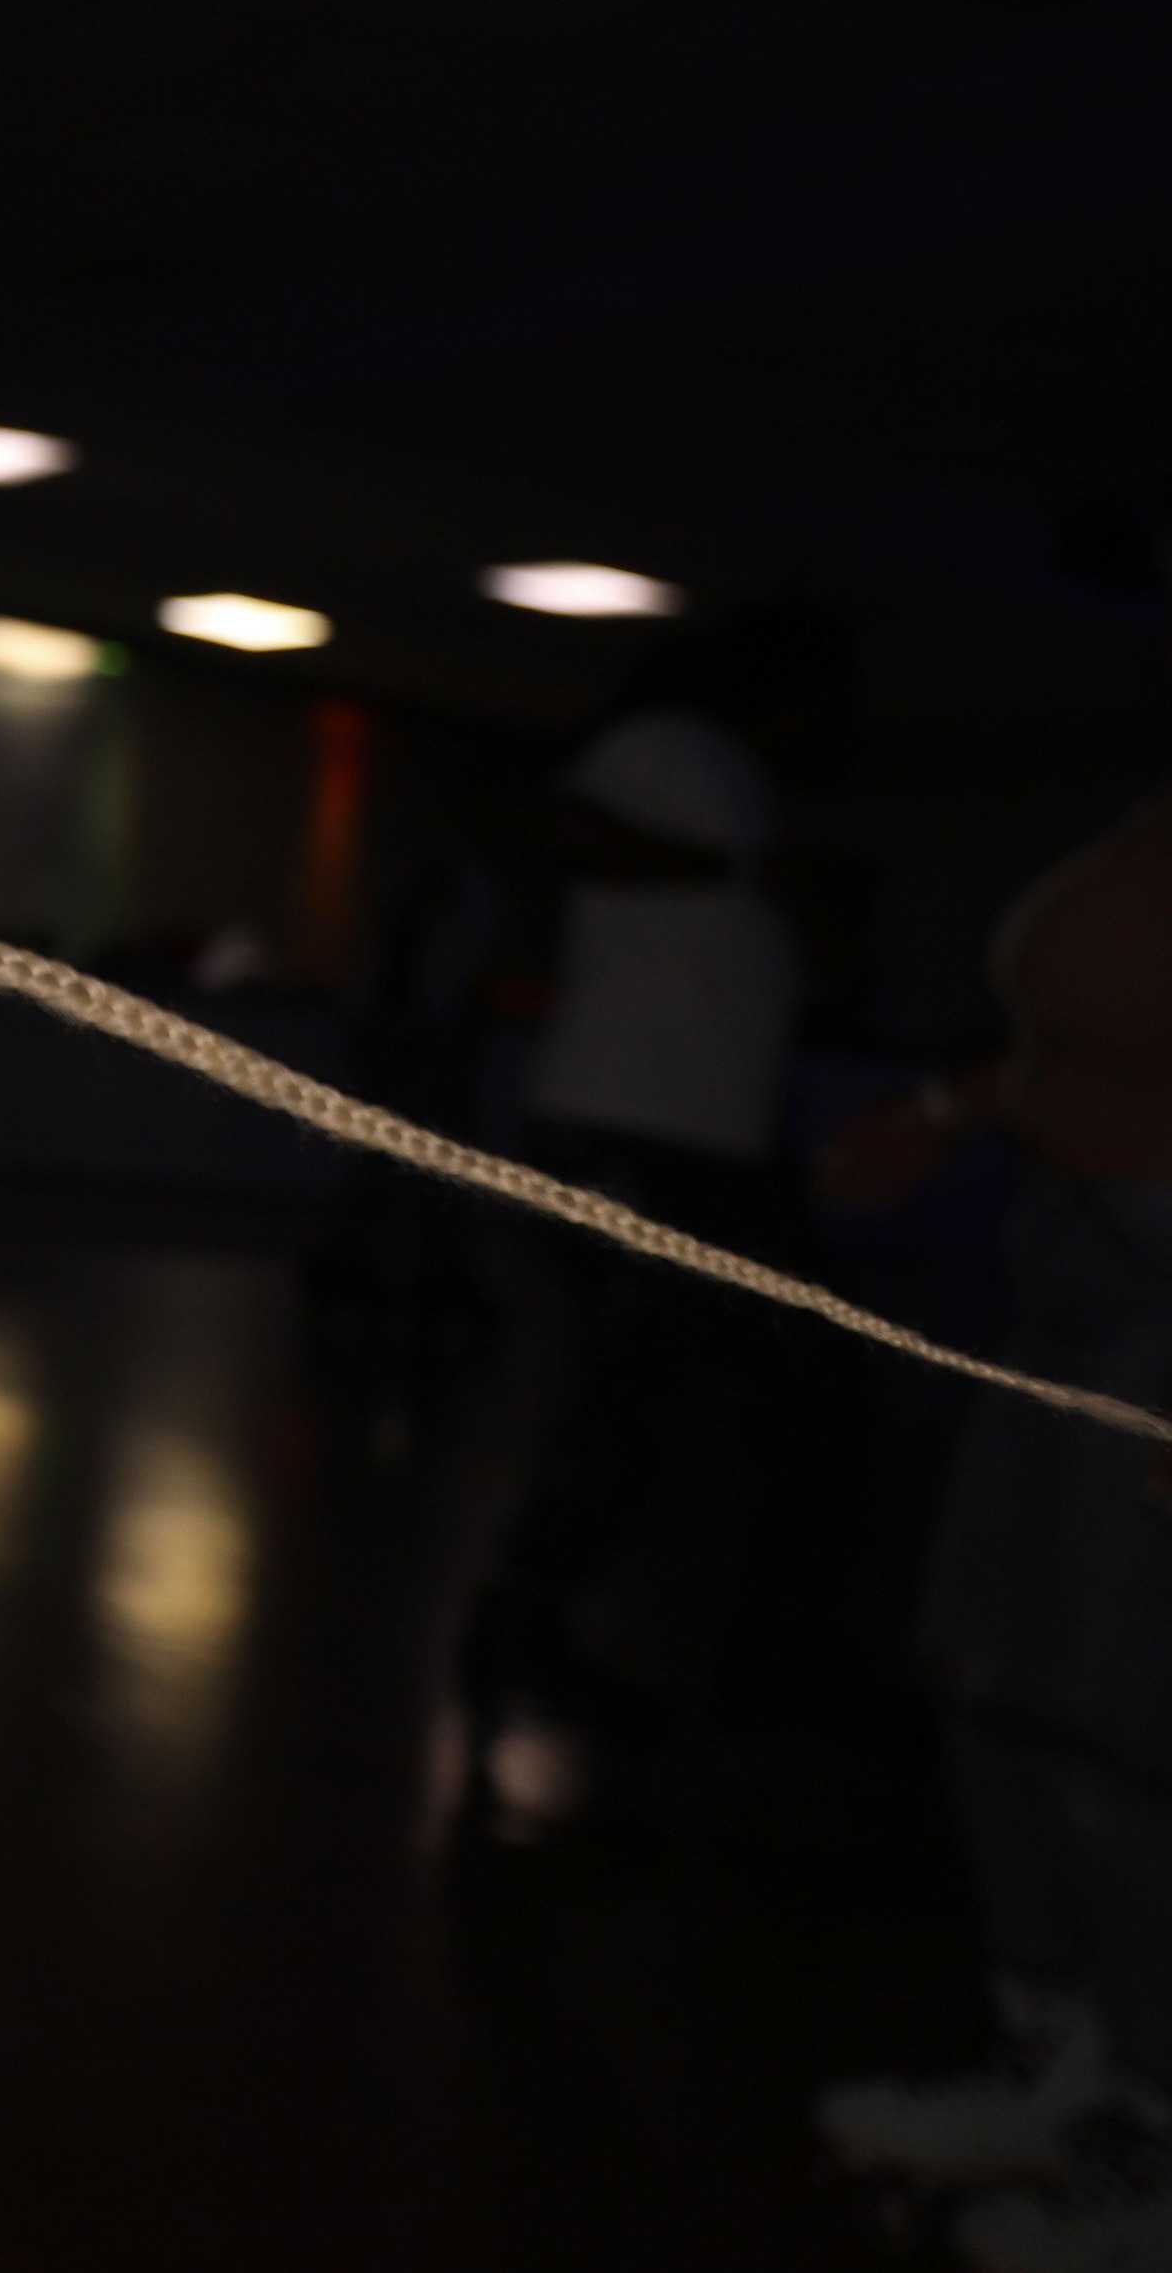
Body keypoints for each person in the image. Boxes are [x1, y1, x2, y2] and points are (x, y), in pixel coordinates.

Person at [808, 774, 1172, 2268]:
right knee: (995, 1684)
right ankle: (1057, 2068)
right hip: (1072, 1269)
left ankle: (1147, 2142)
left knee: (1119, 1730)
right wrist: (956, 1105)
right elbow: (1085, 1030)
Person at [455, 615, 834, 1779]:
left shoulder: (737, 777)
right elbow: (563, 836)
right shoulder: (661, 744)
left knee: (691, 1398)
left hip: (702, 1134)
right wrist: (735, 875)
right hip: (628, 1124)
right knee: (617, 1398)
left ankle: (671, 1654)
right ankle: (519, 1645)